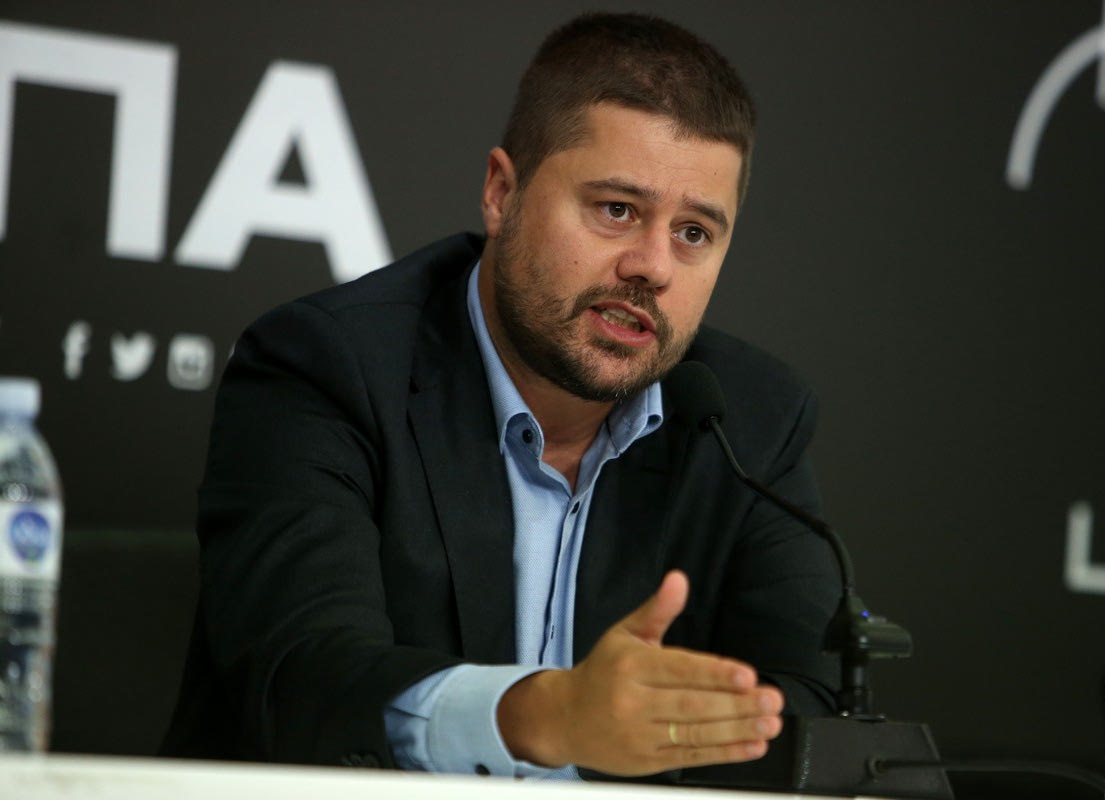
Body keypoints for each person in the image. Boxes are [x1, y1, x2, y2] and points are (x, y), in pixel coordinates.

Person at [161, 11, 840, 784]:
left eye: (693, 233)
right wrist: (546, 716)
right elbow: (302, 678)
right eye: (616, 209)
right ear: (501, 193)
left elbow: (811, 715)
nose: (652, 266)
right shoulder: (327, 366)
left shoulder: (749, 420)